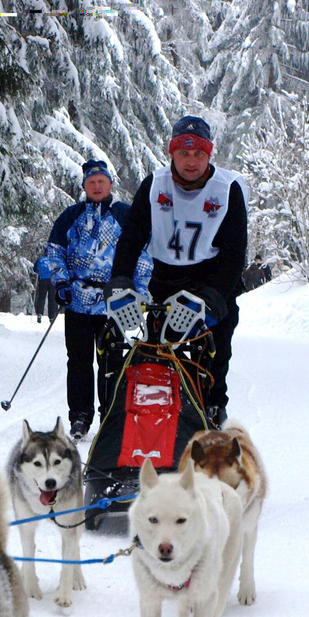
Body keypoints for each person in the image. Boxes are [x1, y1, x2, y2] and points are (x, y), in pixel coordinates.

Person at [108, 115, 249, 426]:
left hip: (213, 279)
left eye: (199, 153)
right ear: (171, 153)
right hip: (166, 279)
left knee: (214, 354)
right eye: (184, 153)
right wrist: (119, 282)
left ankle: (213, 409)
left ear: (209, 155)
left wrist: (211, 298)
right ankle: (153, 422)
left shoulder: (228, 190)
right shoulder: (154, 185)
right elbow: (130, 239)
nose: (191, 161)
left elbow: (234, 254)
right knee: (157, 353)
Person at [35, 160, 153, 441]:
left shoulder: (126, 215)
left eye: (102, 181)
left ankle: (111, 415)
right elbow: (54, 251)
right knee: (78, 361)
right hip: (77, 301)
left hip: (115, 302)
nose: (97, 186)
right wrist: (60, 281)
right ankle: (79, 417)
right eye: (91, 182)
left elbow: (144, 254)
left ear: (111, 184)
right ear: (84, 187)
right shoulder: (70, 216)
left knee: (113, 361)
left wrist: (140, 292)